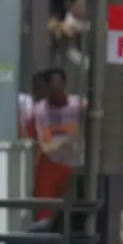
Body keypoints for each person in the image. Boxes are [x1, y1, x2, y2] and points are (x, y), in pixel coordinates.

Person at [31, 68, 85, 222]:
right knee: (46, 211)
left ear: (65, 84)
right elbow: (45, 144)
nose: (55, 88)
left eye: (58, 83)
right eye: (52, 85)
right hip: (50, 164)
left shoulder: (77, 105)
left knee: (72, 212)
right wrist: (68, 139)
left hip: (74, 165)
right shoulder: (40, 110)